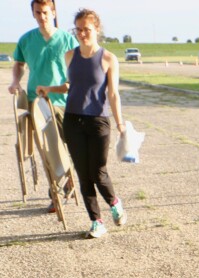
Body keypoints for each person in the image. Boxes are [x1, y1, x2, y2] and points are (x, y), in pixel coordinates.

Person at [37, 8, 127, 239]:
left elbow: (114, 94)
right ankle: (96, 221)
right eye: (78, 29)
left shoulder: (108, 58)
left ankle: (114, 203)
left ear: (96, 29)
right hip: (73, 120)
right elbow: (69, 85)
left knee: (98, 172)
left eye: (86, 29)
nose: (82, 33)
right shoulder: (70, 56)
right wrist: (49, 89)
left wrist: (120, 124)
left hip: (98, 121)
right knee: (82, 174)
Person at [8, 0, 78, 213]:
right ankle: (55, 193)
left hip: (63, 101)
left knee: (69, 146)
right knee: (46, 150)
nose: (42, 16)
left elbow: (76, 69)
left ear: (53, 12)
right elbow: (19, 64)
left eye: (46, 12)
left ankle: (69, 178)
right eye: (38, 12)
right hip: (36, 102)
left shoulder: (67, 40)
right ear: (33, 13)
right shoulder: (26, 40)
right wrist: (15, 81)